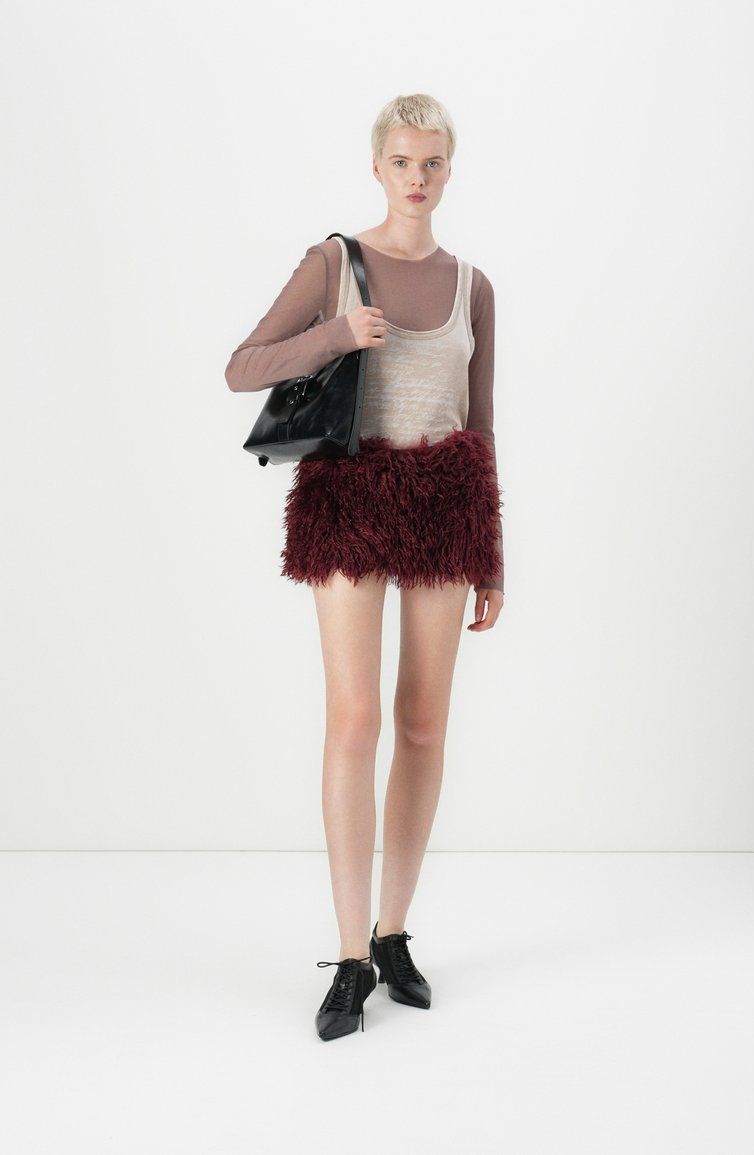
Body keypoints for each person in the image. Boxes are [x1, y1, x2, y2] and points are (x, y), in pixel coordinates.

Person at [225, 93, 505, 1041]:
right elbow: (243, 366)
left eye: (432, 162)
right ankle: (349, 953)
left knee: (423, 724)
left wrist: (493, 557)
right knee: (354, 718)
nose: (416, 178)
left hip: (446, 502)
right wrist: (338, 334)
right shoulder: (334, 261)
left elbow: (481, 422)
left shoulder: (474, 286)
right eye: (400, 161)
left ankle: (392, 934)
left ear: (449, 170)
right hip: (350, 494)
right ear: (376, 166)